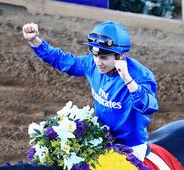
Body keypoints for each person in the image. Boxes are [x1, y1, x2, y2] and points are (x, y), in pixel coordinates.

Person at [23, 21, 159, 161]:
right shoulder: (91, 64)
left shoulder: (140, 75)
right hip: (100, 137)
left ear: (119, 56)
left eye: (104, 57)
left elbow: (149, 106)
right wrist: (35, 41)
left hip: (131, 146)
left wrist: (128, 80)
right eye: (95, 56)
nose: (98, 62)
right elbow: (63, 60)